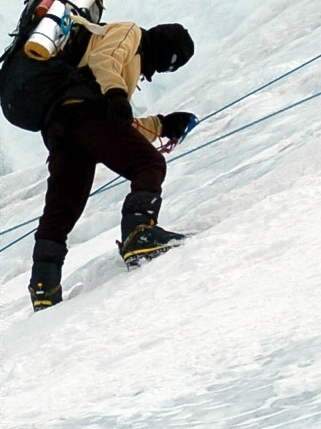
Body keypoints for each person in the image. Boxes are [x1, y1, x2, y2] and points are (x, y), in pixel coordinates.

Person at [28, 21, 196, 309]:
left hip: (62, 123)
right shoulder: (130, 33)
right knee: (149, 164)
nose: (162, 72)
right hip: (86, 112)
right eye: (171, 65)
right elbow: (102, 60)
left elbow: (118, 125)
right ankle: (139, 233)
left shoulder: (122, 68)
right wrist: (117, 94)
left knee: (63, 206)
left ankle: (44, 285)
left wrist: (162, 124)